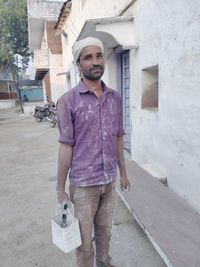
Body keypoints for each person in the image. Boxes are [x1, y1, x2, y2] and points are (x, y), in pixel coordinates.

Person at [56, 37, 131, 267]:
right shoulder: (67, 101)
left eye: (98, 56)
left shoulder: (115, 98)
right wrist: (60, 187)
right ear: (78, 65)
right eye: (88, 57)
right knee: (83, 241)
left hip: (109, 180)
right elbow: (66, 145)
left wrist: (123, 172)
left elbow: (118, 136)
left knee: (105, 232)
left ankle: (104, 262)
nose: (95, 61)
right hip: (83, 185)